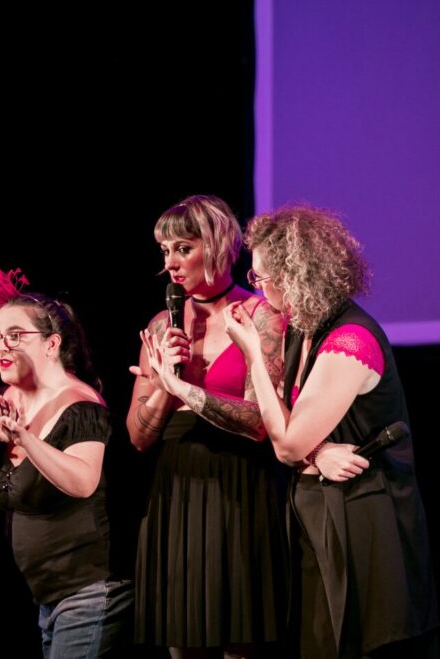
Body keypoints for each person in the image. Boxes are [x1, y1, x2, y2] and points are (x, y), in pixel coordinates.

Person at [222, 205, 439, 658]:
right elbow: (285, 423)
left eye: (262, 278)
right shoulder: (303, 329)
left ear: (295, 275)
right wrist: (318, 451)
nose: (257, 288)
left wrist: (253, 357)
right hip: (316, 506)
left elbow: (286, 444)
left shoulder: (350, 340)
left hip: (361, 513)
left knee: (361, 640)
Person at [126, 195, 288, 658]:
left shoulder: (260, 317)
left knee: (239, 639)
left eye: (182, 248)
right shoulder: (161, 326)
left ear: (217, 246)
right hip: (175, 491)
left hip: (239, 488)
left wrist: (186, 392)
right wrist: (162, 387)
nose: (171, 264)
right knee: (183, 639)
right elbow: (138, 437)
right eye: (164, 252)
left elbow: (259, 421)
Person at [0, 267, 133, 659]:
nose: (1, 347)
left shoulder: (80, 405)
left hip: (91, 592)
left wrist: (25, 440)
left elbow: (83, 482)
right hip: (47, 599)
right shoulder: (3, 399)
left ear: (51, 345)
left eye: (15, 336)